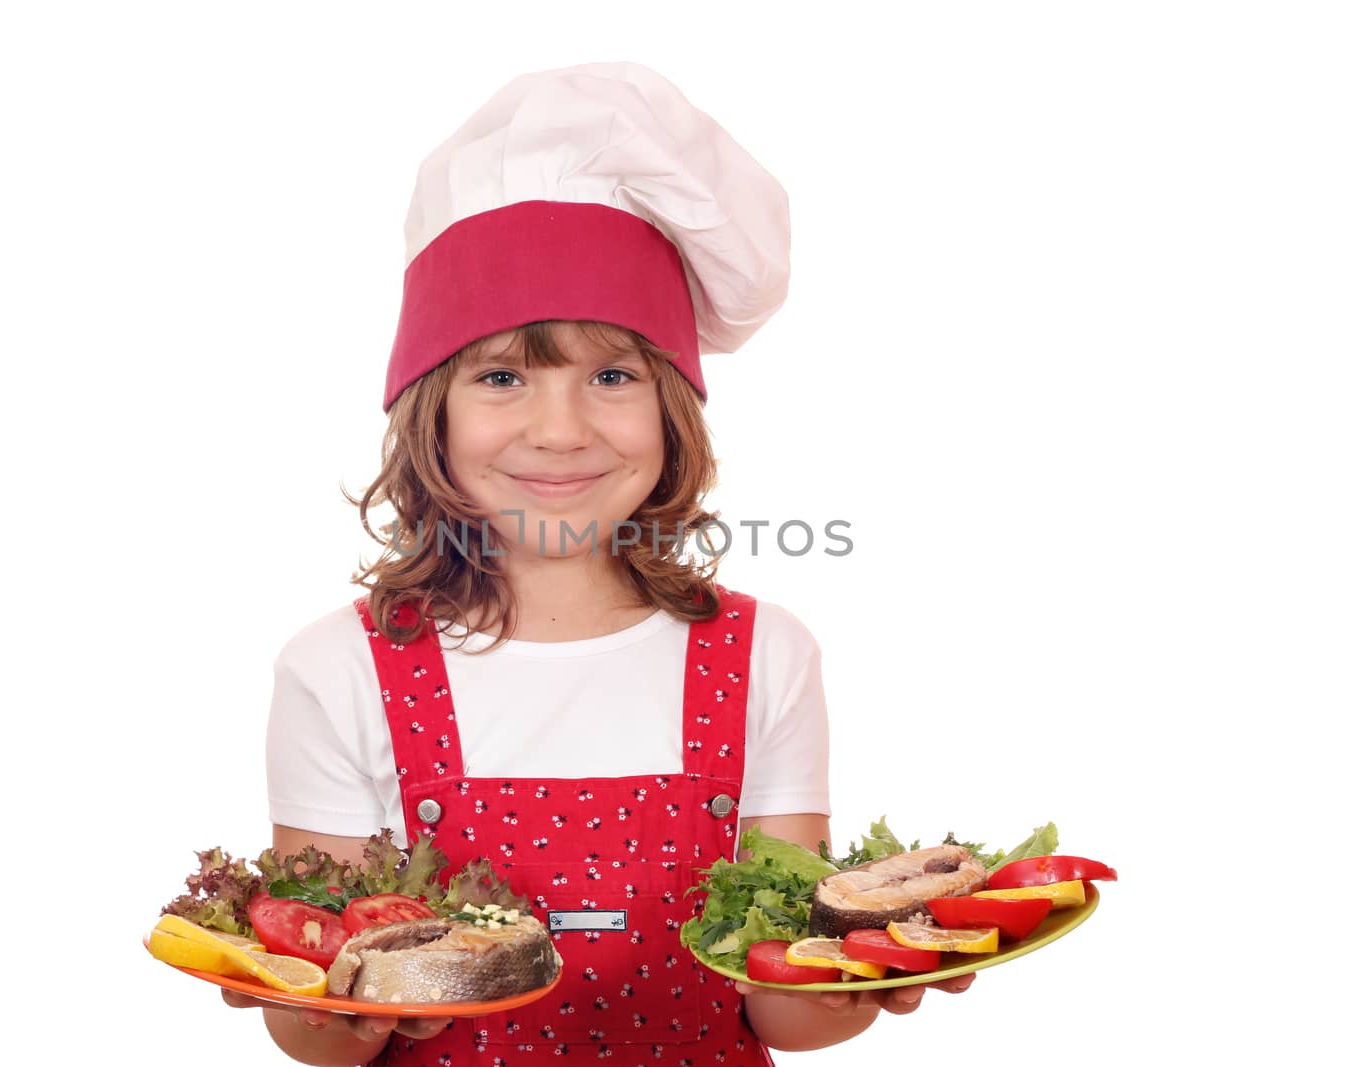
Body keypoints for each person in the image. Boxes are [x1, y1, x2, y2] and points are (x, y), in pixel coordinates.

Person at [222, 61, 974, 1066]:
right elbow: (321, 1034)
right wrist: (315, 1000)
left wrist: (866, 972)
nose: (560, 429)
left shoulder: (765, 656)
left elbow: (782, 1012)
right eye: (502, 376)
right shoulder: (337, 668)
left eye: (612, 373)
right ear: (427, 409)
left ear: (671, 407)